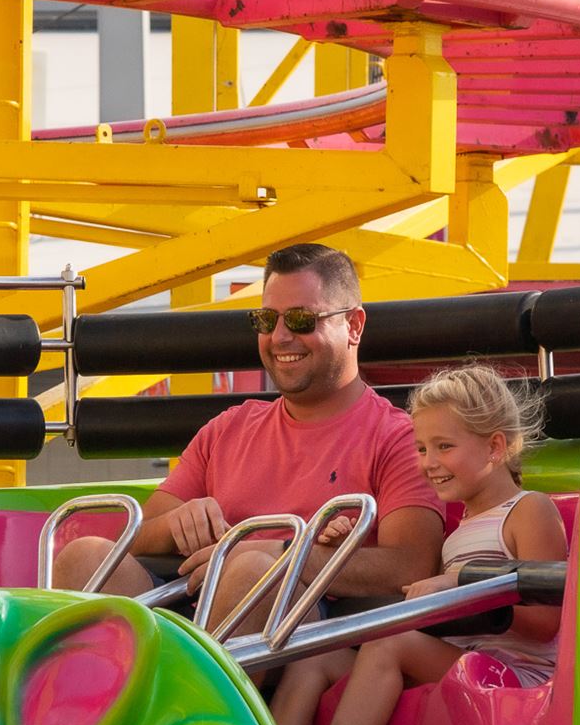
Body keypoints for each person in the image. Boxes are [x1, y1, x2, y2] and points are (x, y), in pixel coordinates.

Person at [51, 244, 445, 629]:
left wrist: (279, 553)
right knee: (84, 556)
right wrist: (176, 524)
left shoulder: (398, 438)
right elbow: (134, 538)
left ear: (354, 326)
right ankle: (115, 689)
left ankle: (197, 690)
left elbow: (410, 564)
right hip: (193, 605)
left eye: (301, 320)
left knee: (254, 572)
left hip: (302, 630)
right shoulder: (229, 428)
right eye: (266, 320)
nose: (280, 337)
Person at [268, 365, 566, 725]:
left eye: (444, 447)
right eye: (422, 448)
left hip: (514, 677)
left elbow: (546, 620)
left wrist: (461, 582)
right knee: (313, 657)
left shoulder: (528, 510)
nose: (429, 463)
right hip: (460, 662)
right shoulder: (459, 526)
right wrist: (344, 545)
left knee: (390, 644)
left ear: (495, 447)